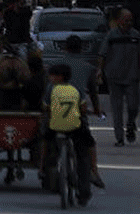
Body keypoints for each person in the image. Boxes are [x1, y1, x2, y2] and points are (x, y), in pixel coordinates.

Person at [42, 63, 95, 207]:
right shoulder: (76, 89)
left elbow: (46, 107)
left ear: (59, 77)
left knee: (46, 143)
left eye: (52, 75)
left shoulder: (50, 89)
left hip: (55, 127)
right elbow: (83, 109)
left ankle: (44, 167)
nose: (50, 78)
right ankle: (85, 188)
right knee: (83, 155)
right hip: (75, 127)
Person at [97, 8, 140, 146]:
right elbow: (103, 54)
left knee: (133, 105)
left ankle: (131, 124)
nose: (129, 22)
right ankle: (119, 137)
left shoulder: (136, 36)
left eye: (131, 20)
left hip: (132, 76)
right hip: (114, 77)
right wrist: (100, 70)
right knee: (117, 109)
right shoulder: (111, 35)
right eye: (126, 20)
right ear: (119, 21)